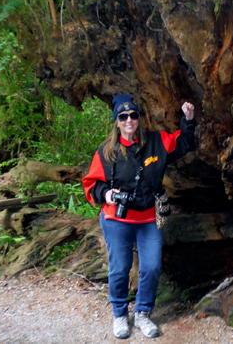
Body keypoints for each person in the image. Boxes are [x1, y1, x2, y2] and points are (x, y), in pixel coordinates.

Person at [82, 94, 195, 339]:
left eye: (133, 115)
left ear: (138, 119)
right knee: (120, 268)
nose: (129, 120)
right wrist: (107, 193)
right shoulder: (106, 152)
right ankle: (120, 315)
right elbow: (90, 185)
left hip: (150, 218)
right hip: (117, 219)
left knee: (152, 267)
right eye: (123, 117)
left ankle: (143, 313)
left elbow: (184, 143)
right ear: (116, 122)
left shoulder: (157, 142)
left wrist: (188, 119)